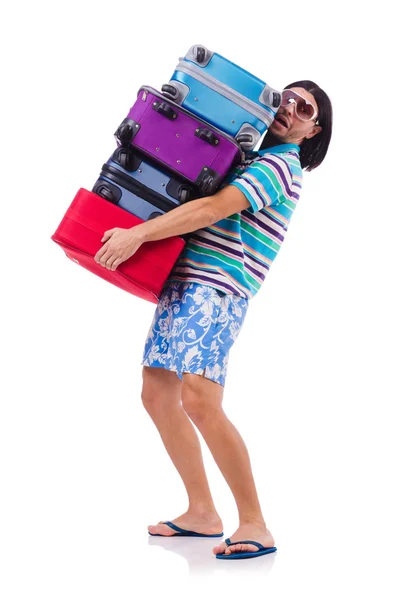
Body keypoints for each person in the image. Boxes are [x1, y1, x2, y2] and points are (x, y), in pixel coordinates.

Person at [94, 80, 333, 560]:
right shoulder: (246, 156)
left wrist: (136, 236)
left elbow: (211, 208)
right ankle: (202, 512)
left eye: (302, 107)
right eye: (282, 99)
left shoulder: (280, 166)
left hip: (217, 289)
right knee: (157, 392)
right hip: (185, 279)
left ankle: (256, 524)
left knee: (201, 399)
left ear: (314, 129)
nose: (288, 108)